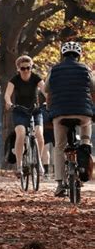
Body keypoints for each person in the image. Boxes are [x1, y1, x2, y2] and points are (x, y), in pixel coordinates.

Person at [44, 41, 94, 197]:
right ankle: (85, 147)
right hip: (82, 112)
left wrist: (49, 108)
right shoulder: (85, 69)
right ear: (78, 55)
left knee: (59, 146)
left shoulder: (54, 70)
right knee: (86, 129)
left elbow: (46, 89)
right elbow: (94, 88)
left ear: (62, 55)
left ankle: (60, 184)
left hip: (60, 114)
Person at [4, 55, 46, 176]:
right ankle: (19, 166)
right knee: (21, 133)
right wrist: (9, 103)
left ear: (31, 67)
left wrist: (48, 100)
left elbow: (45, 90)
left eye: (28, 67)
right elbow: (7, 94)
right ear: (18, 69)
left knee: (39, 135)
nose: (26, 70)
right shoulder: (14, 80)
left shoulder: (36, 78)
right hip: (19, 111)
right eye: (23, 68)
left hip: (35, 110)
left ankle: (39, 162)